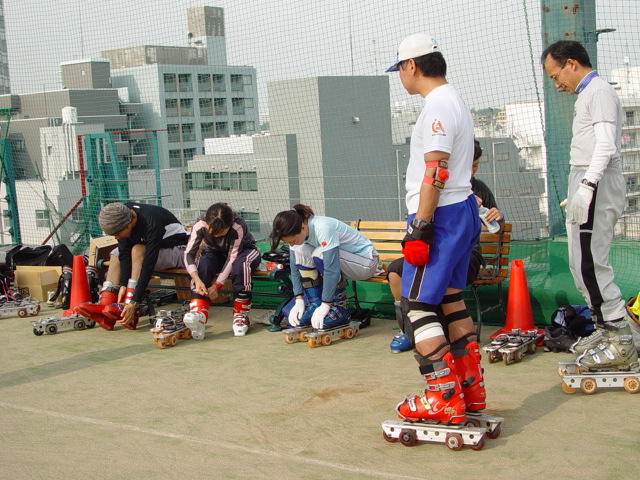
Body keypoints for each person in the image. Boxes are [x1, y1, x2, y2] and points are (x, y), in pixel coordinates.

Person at [385, 33, 484, 424]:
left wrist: (421, 226)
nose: (400, 78)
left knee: (418, 306)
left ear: (412, 66)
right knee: (451, 300)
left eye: (399, 70)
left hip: (440, 215)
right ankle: (471, 390)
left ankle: (442, 397)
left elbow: (436, 168)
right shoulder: (455, 98)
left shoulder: (438, 106)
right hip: (461, 210)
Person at [541, 40, 637, 369]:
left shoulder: (598, 91)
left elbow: (607, 144)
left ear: (571, 63)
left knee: (592, 264)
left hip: (595, 181)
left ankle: (620, 340)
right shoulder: (588, 93)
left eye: (556, 76)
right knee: (579, 262)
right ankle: (605, 327)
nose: (556, 84)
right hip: (585, 179)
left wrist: (588, 184)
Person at [387, 139, 503, 353]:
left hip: (466, 254)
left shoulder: (471, 187)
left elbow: (493, 220)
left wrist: (497, 215)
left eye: (475, 166)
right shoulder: (442, 182)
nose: (470, 171)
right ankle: (407, 329)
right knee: (396, 271)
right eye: (468, 164)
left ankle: (443, 376)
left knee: (427, 301)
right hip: (437, 248)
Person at [76, 202, 189, 330]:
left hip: (179, 250)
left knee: (137, 250)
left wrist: (134, 302)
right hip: (154, 252)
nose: (116, 237)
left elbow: (148, 265)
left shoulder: (151, 221)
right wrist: (123, 284)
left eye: (118, 233)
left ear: (129, 223)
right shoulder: (122, 214)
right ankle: (105, 308)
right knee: (115, 254)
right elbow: (124, 254)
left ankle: (131, 309)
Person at [270, 204, 379, 330]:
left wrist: (326, 304)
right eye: (289, 242)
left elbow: (331, 270)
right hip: (344, 264)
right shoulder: (296, 232)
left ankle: (340, 308)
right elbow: (295, 268)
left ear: (303, 227)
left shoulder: (322, 227)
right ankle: (314, 303)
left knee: (320, 254)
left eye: (292, 240)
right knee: (301, 251)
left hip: (366, 263)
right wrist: (299, 299)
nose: (291, 244)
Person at [182, 203, 261, 340]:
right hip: (215, 252)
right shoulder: (200, 224)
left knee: (241, 265)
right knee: (204, 262)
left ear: (229, 225)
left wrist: (217, 285)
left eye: (221, 232)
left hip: (245, 252)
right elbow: (189, 254)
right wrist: (197, 280)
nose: (217, 235)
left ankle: (240, 314)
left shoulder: (239, 225)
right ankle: (199, 311)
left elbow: (232, 257)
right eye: (213, 232)